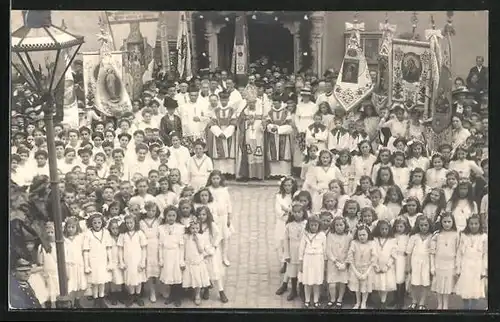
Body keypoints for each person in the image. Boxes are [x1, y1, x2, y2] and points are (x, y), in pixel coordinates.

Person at [454, 214, 488, 310]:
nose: (473, 226)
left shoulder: (484, 237)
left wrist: (484, 270)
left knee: (475, 290)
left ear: (480, 224)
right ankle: (466, 308)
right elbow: (459, 253)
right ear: (468, 225)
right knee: (465, 289)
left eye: (476, 224)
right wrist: (458, 267)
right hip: (466, 264)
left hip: (478, 265)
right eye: (471, 224)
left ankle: (472, 309)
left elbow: (485, 254)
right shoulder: (464, 236)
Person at [429, 212, 459, 310]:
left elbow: (458, 251)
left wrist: (457, 265)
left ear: (453, 222)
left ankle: (445, 304)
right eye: (444, 221)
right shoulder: (437, 235)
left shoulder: (456, 234)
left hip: (450, 263)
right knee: (439, 284)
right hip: (439, 263)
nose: (447, 224)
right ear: (441, 222)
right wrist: (432, 266)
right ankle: (439, 303)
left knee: (447, 285)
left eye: (449, 221)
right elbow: (432, 252)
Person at [118, 214, 147, 307]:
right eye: (127, 223)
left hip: (137, 260)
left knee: (138, 278)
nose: (129, 225)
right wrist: (121, 262)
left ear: (135, 223)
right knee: (130, 279)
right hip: (128, 261)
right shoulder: (123, 235)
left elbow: (144, 248)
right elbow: (120, 249)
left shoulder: (140, 233)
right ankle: (131, 296)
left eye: (131, 223)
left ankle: (138, 296)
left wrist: (143, 261)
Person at [206, 91, 238, 177]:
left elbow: (233, 122)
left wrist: (227, 133)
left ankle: (230, 173)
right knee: (219, 153)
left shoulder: (232, 110)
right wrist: (219, 133)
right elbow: (212, 123)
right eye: (222, 100)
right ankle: (220, 173)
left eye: (225, 100)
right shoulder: (215, 110)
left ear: (228, 100)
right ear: (220, 100)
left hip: (229, 134)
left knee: (230, 153)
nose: (224, 102)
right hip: (218, 134)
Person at [299, 215, 327, 308]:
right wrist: (301, 261)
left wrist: (325, 262)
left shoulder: (322, 235)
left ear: (319, 225)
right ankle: (307, 300)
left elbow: (325, 249)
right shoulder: (305, 234)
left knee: (317, 281)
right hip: (308, 259)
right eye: (312, 225)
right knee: (307, 281)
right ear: (308, 225)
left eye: (315, 225)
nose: (313, 227)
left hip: (318, 259)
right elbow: (301, 249)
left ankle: (316, 300)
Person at [405, 215, 433, 310]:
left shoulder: (432, 236)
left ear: (429, 225)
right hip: (415, 262)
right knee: (414, 283)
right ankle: (414, 301)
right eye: (421, 225)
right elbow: (408, 252)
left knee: (425, 283)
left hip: (426, 262)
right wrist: (408, 265)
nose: (424, 227)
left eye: (426, 225)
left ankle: (422, 302)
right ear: (418, 225)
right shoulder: (414, 237)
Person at [346, 224, 375, 309]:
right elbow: (350, 258)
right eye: (360, 235)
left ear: (368, 235)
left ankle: (363, 303)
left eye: (364, 235)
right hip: (356, 268)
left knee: (365, 287)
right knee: (357, 287)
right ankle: (357, 302)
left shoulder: (372, 243)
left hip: (367, 269)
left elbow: (373, 260)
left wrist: (366, 273)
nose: (362, 237)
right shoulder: (354, 243)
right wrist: (356, 272)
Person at [265, 94, 294, 178]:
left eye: (277, 103)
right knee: (273, 153)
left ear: (280, 102)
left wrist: (279, 129)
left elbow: (289, 126)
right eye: (274, 104)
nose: (275, 105)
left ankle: (284, 173)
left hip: (283, 136)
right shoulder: (270, 112)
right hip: (273, 136)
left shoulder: (286, 112)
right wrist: (271, 127)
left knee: (284, 153)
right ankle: (273, 173)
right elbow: (267, 123)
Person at [325, 216, 351, 309]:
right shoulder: (330, 235)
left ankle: (339, 299)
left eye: (341, 225)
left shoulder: (348, 236)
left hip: (344, 263)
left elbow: (350, 250)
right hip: (333, 263)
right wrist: (335, 261)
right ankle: (332, 299)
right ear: (333, 226)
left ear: (345, 225)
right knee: (332, 284)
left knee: (342, 282)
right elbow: (328, 250)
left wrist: (345, 263)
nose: (339, 227)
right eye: (337, 225)